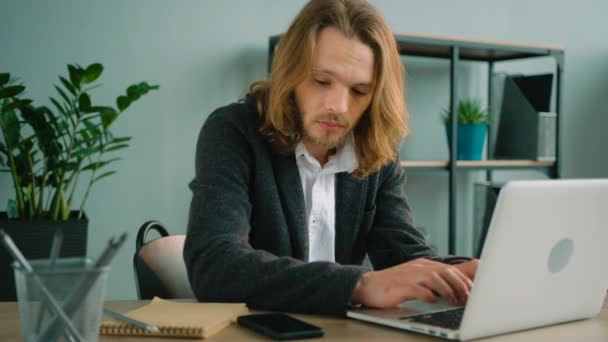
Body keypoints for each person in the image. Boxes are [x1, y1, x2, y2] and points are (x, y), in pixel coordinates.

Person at [183, 0, 478, 316]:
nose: (338, 105)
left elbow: (403, 253)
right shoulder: (232, 131)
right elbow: (215, 264)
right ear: (290, 71)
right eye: (322, 81)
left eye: (359, 91)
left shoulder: (376, 151)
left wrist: (462, 272)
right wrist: (359, 285)